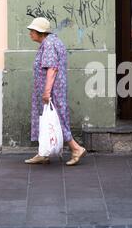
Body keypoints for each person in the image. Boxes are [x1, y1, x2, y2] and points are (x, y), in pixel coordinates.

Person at [24, 17, 87, 166]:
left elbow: (52, 68)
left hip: (53, 91)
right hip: (54, 89)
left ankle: (76, 148)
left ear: (40, 32)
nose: (30, 33)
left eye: (32, 31)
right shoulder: (52, 41)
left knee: (56, 120)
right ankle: (43, 153)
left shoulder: (49, 44)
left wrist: (46, 92)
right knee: (47, 120)